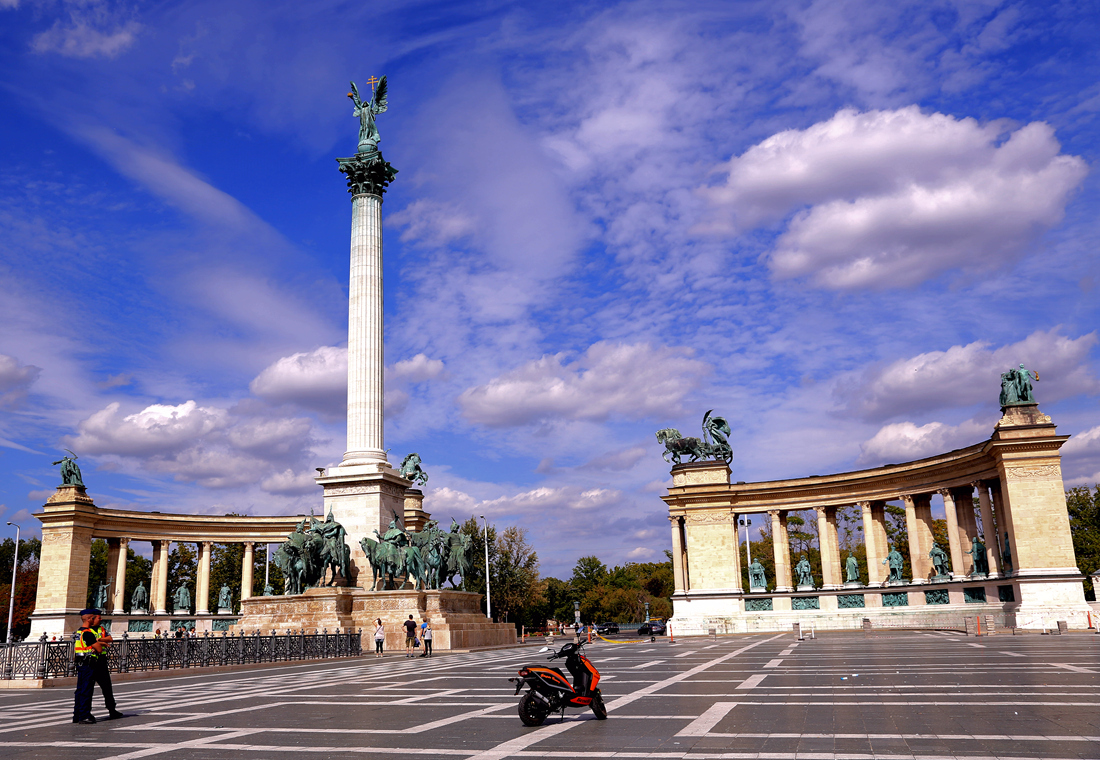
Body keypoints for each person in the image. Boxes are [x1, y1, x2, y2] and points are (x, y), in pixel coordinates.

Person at [72, 608, 123, 724]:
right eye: (98, 617)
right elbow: (97, 648)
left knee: (104, 688)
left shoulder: (92, 630)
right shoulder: (87, 632)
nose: (100, 619)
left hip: (95, 662)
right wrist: (99, 644)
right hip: (90, 662)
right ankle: (83, 714)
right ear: (91, 618)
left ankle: (80, 714)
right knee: (86, 689)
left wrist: (98, 641)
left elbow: (109, 638)